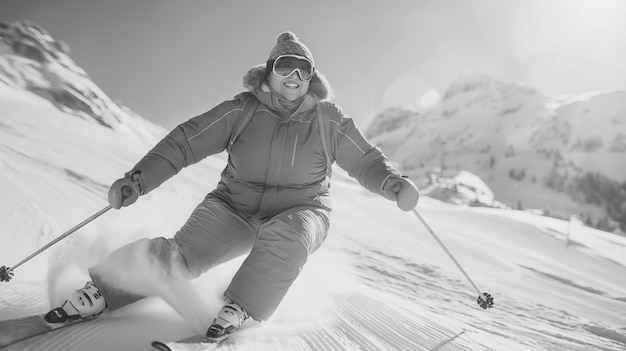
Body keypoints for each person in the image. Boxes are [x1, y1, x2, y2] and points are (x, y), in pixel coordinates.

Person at [45, 32, 419, 338]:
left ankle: (241, 306)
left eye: (303, 69)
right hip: (233, 207)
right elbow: (185, 142)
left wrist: (392, 183)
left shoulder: (328, 119)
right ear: (269, 72)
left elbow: (366, 159)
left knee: (290, 235)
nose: (294, 75)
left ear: (311, 78)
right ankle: (104, 288)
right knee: (181, 257)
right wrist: (138, 180)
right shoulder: (242, 109)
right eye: (285, 66)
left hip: (303, 208)